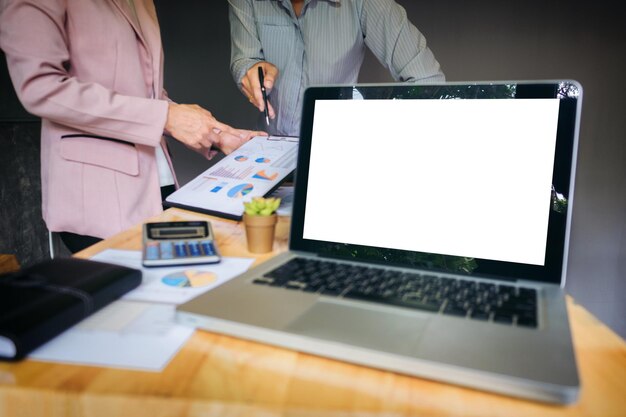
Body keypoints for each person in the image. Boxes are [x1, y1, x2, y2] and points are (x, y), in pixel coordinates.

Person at [0, 0, 262, 253]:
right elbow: (41, 89)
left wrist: (218, 134)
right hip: (96, 196)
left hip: (159, 183)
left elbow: (144, 94)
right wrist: (166, 116)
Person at [229, 0, 445, 136]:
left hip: (337, 152)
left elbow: (428, 82)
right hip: (269, 146)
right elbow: (244, 59)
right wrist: (251, 69)